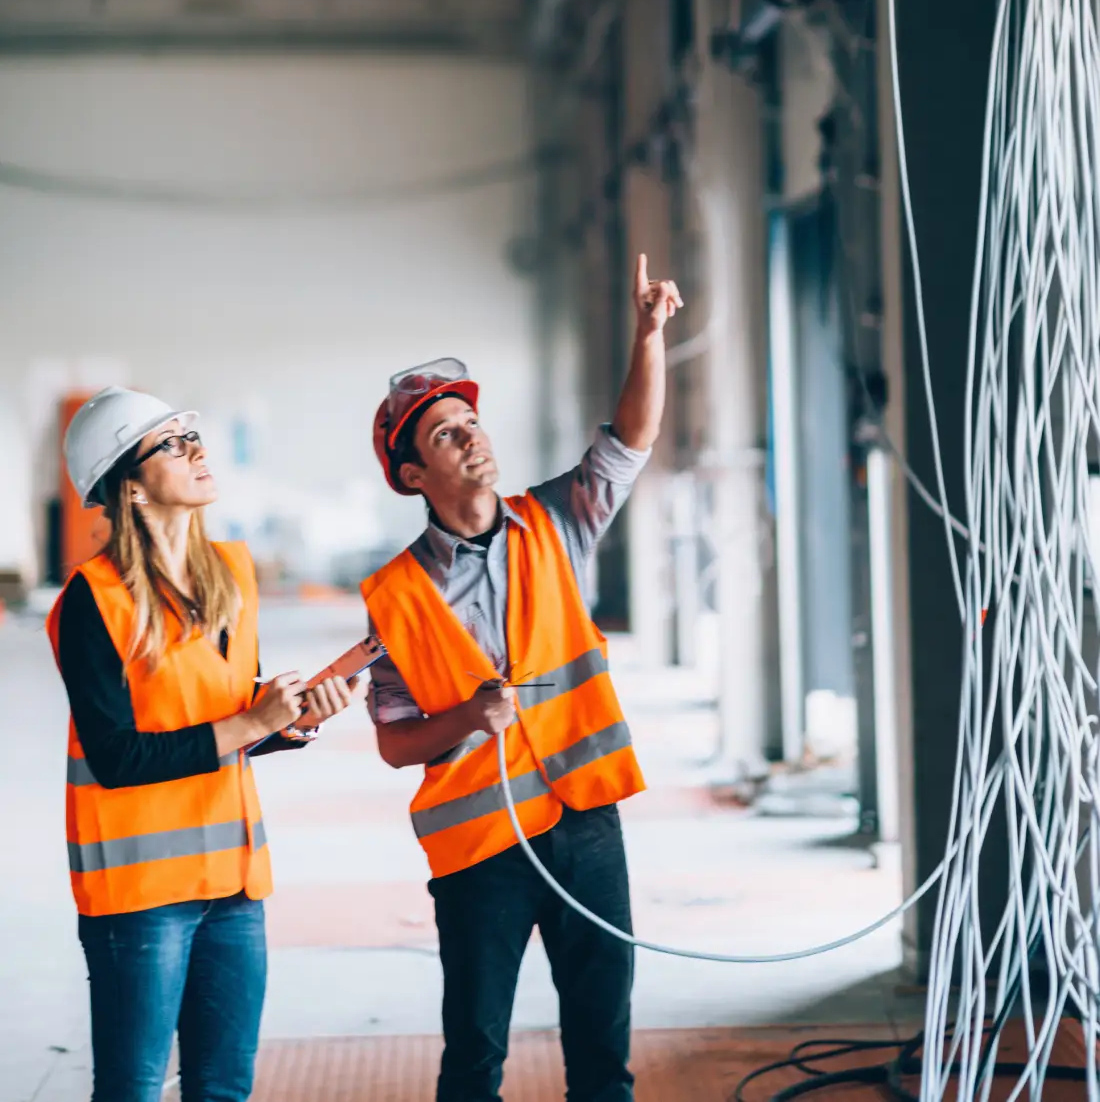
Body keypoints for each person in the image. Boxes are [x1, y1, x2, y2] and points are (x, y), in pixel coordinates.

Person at [363, 254, 683, 1102]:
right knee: (474, 1061)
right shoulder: (396, 594)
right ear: (412, 477)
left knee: (602, 1058)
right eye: (445, 435)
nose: (472, 437)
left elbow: (629, 443)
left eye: (471, 423)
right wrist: (468, 715)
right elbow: (395, 743)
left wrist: (649, 336)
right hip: (479, 851)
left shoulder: (555, 522)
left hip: (585, 826)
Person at [45, 386, 355, 1102]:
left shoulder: (232, 575)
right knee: (132, 1089)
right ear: (128, 482)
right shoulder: (95, 600)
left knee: (222, 1089)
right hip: (141, 899)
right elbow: (117, 756)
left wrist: (293, 718)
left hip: (235, 887)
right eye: (173, 443)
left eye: (193, 435)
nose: (197, 451)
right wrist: (251, 723)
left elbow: (228, 714)